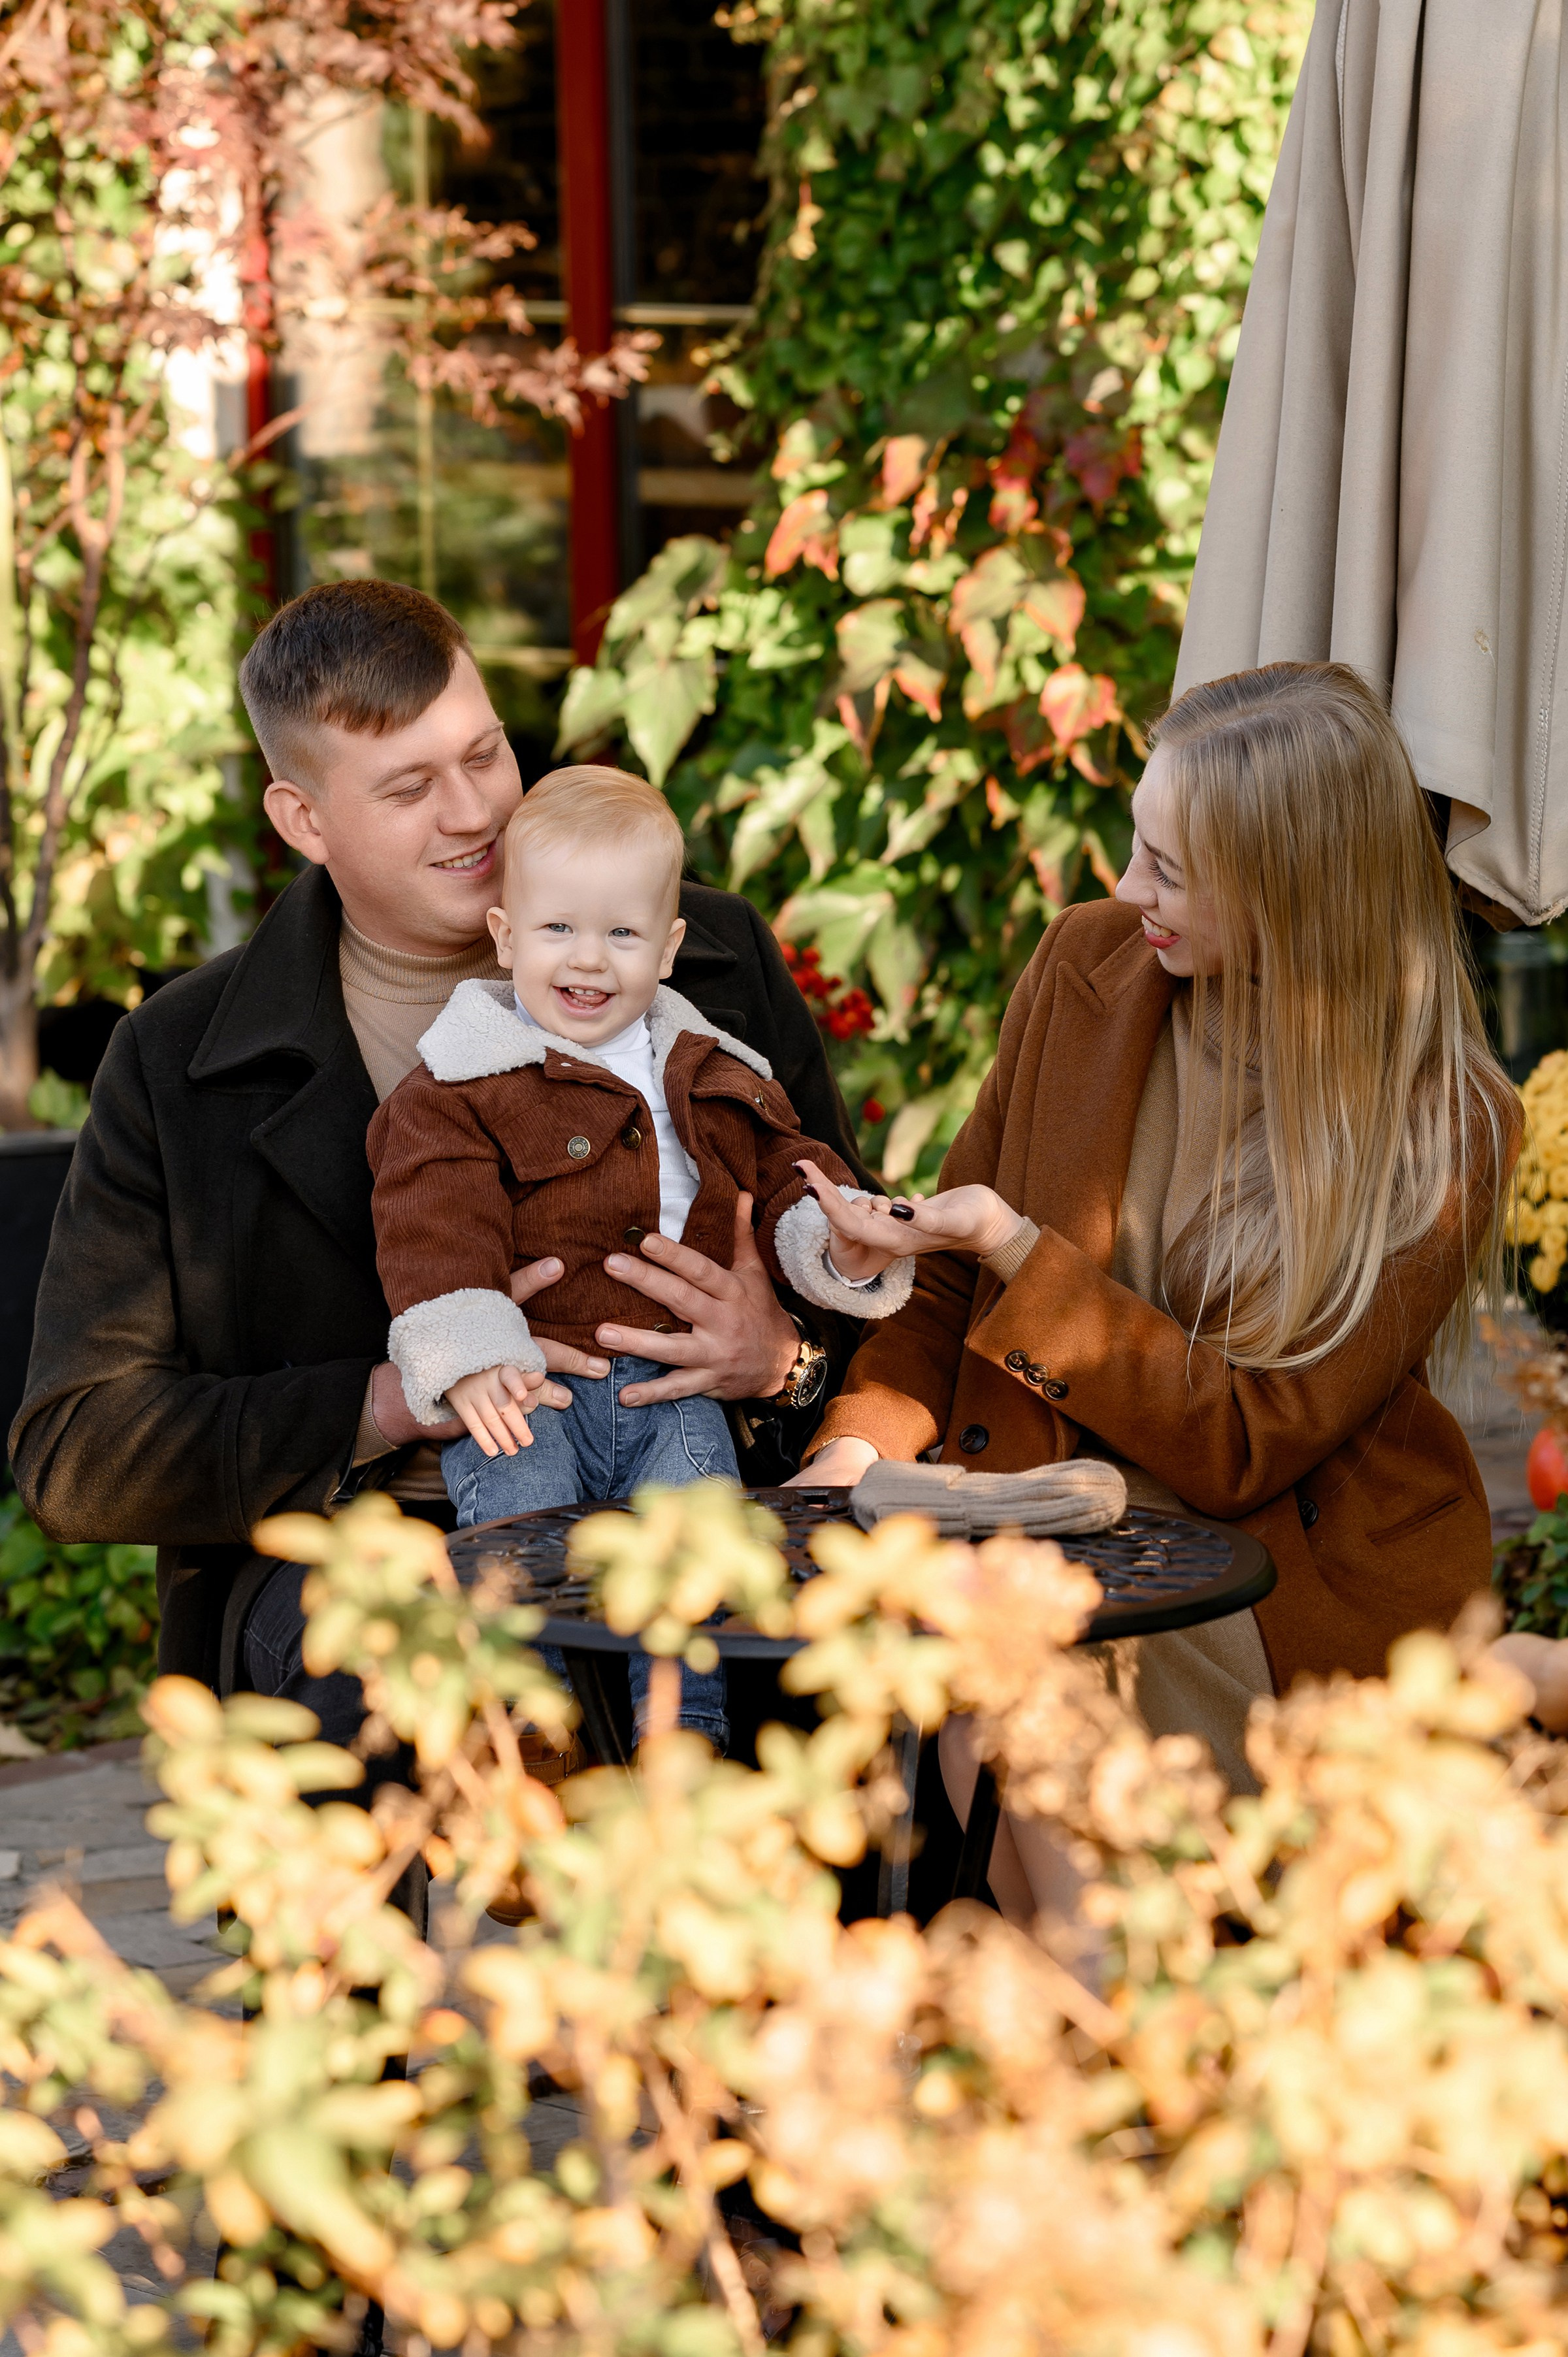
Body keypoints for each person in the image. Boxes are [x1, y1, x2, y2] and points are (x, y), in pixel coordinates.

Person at [8, 579, 872, 1753]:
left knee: (866, 1685)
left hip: (699, 1508)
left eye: (485, 755)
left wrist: (780, 1358)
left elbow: (845, 1250)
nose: (473, 814)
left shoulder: (705, 962)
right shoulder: (179, 1060)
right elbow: (77, 1452)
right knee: (444, 1692)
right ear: (303, 821)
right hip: (370, 1560)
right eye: (410, 787)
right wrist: (388, 1401)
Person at [791, 661, 1520, 1928]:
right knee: (979, 1641)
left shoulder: (1441, 1125)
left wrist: (1030, 1255)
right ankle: (1094, 2017)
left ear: (1296, 898)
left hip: (1271, 1583)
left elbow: (1246, 1445)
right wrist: (847, 1456)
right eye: (1138, 847)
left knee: (1007, 1648)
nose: (1130, 893)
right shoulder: (1091, 967)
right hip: (1041, 1522)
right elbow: (942, 1288)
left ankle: (1094, 2005)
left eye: (1171, 871)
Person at [368, 764, 912, 1749]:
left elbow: (786, 1170)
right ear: (504, 938)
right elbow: (433, 1217)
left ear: (666, 951)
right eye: (558, 930)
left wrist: (839, 1237)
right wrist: (470, 1346)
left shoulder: (712, 1070)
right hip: (531, 1388)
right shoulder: (462, 1084)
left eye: (621, 934)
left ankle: (684, 1733)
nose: (589, 960)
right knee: (520, 1535)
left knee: (692, 1551)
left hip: (677, 1392)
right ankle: (532, 1728)